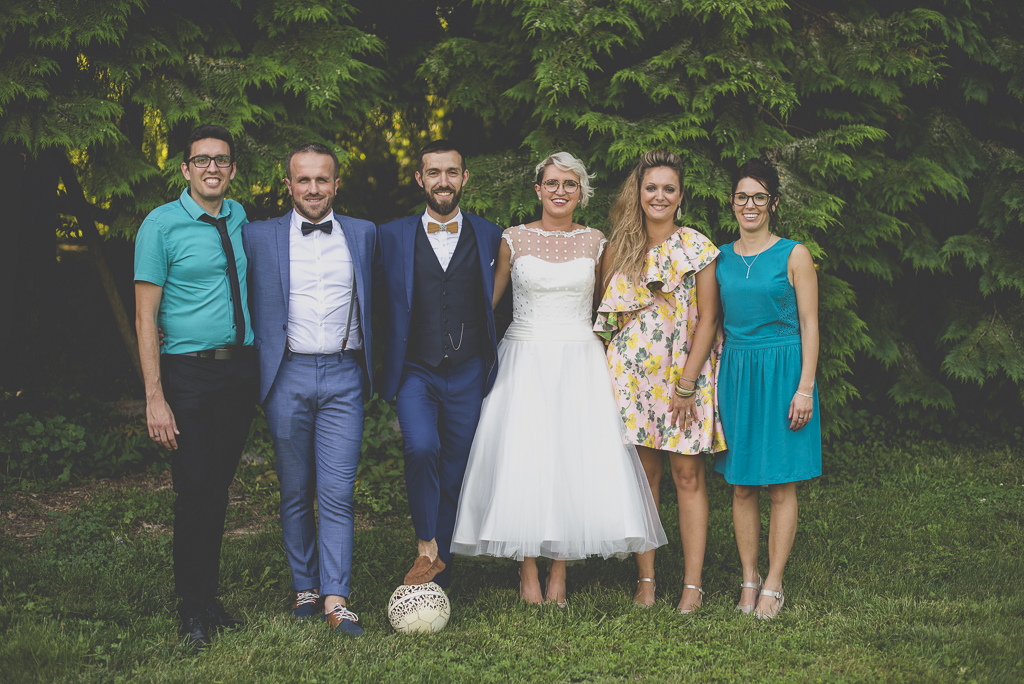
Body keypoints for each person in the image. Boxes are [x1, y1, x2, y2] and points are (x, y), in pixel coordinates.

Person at [452, 152, 667, 606]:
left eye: (570, 185)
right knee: (523, 457)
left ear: (581, 193)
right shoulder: (512, 239)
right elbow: (487, 302)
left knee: (572, 458)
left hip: (578, 358)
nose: (560, 192)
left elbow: (611, 305)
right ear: (538, 190)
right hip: (524, 355)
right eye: (552, 183)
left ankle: (560, 570)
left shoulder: (595, 241)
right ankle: (527, 568)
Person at [242, 143, 375, 636]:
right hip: (286, 375)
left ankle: (336, 598)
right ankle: (305, 585)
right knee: (295, 490)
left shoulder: (364, 234)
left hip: (344, 375)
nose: (313, 189)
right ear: (288, 184)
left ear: (336, 185)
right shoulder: (257, 236)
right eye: (304, 180)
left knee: (338, 491)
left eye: (323, 180)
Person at [134, 124, 258, 649]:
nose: (213, 168)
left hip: (239, 373)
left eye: (222, 160)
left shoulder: (239, 216)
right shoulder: (160, 226)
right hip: (188, 373)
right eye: (202, 160)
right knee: (193, 488)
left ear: (231, 170)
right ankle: (191, 611)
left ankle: (208, 598)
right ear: (185, 169)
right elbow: (145, 318)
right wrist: (154, 396)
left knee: (218, 487)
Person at [595, 149, 726, 613]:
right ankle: (646, 581)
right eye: (651, 187)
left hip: (682, 376)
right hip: (633, 377)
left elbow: (709, 317)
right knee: (644, 477)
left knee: (687, 474)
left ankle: (692, 585)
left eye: (669, 188)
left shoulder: (697, 247)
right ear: (639, 192)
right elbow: (606, 319)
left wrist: (688, 381)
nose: (659, 196)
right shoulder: (619, 249)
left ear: (681, 196)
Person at [374, 140, 503, 589]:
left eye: (452, 172)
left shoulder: (491, 235)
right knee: (422, 447)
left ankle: (438, 570)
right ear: (420, 179)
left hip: (468, 370)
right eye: (434, 173)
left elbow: (500, 307)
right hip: (416, 369)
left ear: (465, 178)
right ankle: (426, 544)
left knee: (455, 469)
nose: (443, 181)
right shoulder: (389, 236)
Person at [714, 157, 822, 619]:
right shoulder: (718, 257)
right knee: (741, 485)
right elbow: (713, 321)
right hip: (737, 373)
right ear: (732, 203)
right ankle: (749, 577)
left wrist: (805, 388)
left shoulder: (794, 254)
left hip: (783, 373)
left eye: (760, 197)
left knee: (780, 483)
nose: (750, 205)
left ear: (773, 203)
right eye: (743, 197)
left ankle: (774, 582)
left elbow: (810, 323)